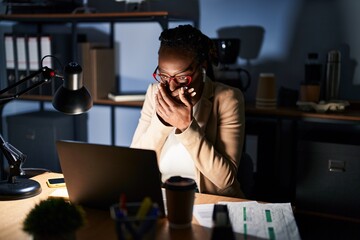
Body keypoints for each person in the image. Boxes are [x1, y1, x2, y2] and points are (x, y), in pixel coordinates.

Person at [131, 24, 245, 198]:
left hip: (209, 200)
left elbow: (225, 180)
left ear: (203, 67)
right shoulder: (155, 93)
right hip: (161, 196)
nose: (171, 86)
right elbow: (135, 162)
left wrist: (186, 127)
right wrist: (162, 122)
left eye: (182, 77)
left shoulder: (227, 98)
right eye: (163, 75)